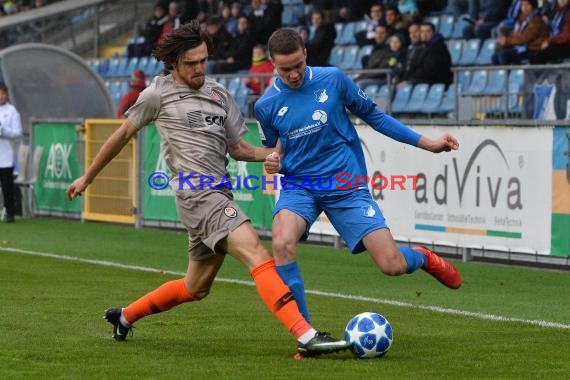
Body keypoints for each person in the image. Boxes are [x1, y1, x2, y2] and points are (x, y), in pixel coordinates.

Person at [65, 21, 348, 358]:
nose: (199, 68)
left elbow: (239, 149)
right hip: (196, 193)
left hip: (219, 192)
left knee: (195, 287)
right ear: (174, 63)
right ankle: (305, 335)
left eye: (203, 61)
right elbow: (122, 135)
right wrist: (88, 177)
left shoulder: (218, 93)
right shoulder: (157, 93)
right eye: (191, 63)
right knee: (256, 251)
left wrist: (274, 153)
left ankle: (125, 317)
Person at [256, 28, 462, 323]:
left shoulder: (333, 79)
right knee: (282, 243)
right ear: (272, 64)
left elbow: (375, 117)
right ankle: (305, 334)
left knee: (391, 265)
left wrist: (427, 143)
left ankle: (422, 257)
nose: (293, 75)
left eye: (298, 66)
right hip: (300, 186)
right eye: (285, 69)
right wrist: (275, 162)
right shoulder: (265, 105)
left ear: (305, 54)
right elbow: (275, 150)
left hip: (345, 185)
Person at [492, 0, 547, 65]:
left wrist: (507, 41)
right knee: (495, 57)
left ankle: (508, 74)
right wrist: (505, 39)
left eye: (527, 5)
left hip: (531, 48)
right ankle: (502, 74)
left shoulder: (537, 19)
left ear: (533, 6)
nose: (524, 7)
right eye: (522, 5)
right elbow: (516, 33)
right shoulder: (522, 18)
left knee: (504, 55)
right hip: (519, 47)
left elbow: (526, 38)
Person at [0, 82, 22, 223]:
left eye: (2, 93)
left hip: (6, 156)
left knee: (7, 186)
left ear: (6, 95)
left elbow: (17, 132)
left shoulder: (12, 111)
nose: (0, 96)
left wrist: (3, 131)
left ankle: (10, 213)